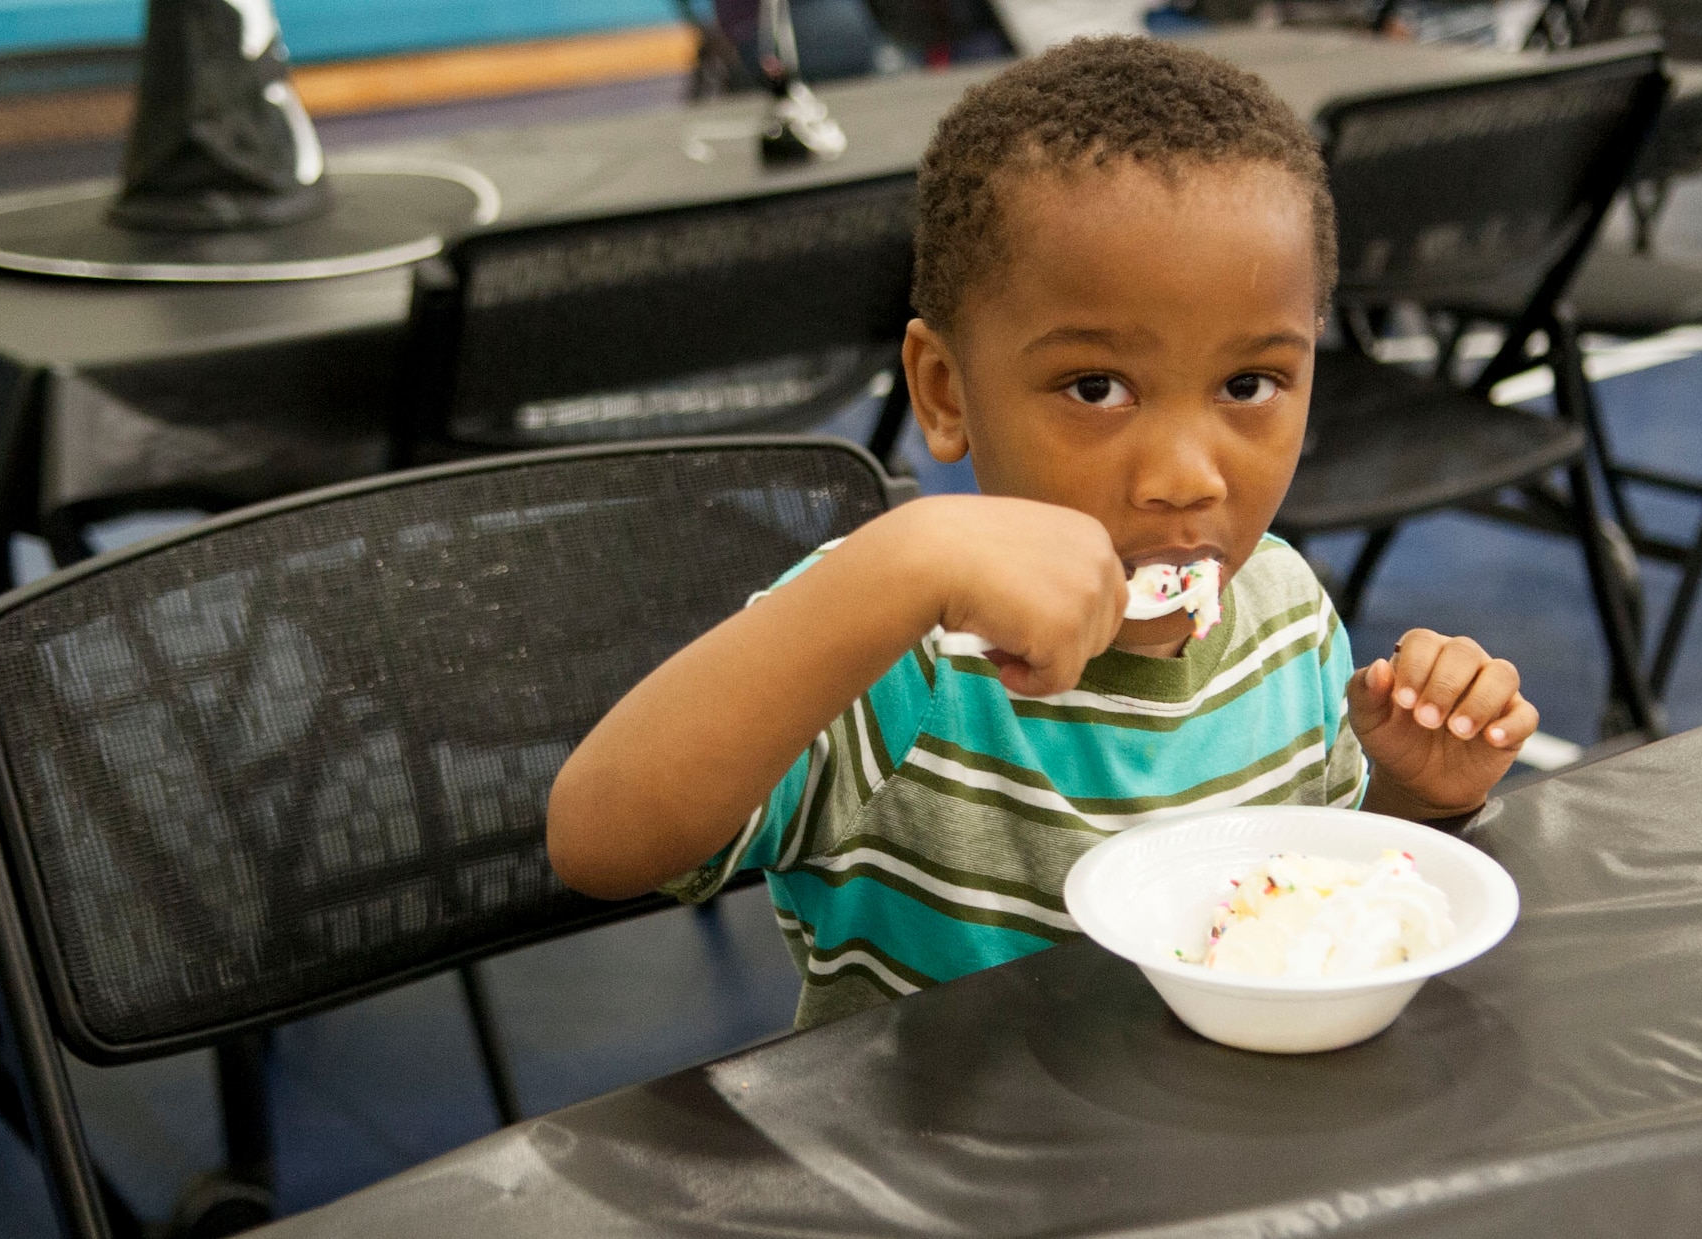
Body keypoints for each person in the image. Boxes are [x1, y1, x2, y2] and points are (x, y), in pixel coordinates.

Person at [547, 35, 1538, 1027]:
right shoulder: (894, 643)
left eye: (1247, 385)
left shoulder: (1284, 616)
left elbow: (1302, 902)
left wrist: (1415, 800)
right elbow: (600, 843)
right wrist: (898, 562)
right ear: (944, 391)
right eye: (1095, 388)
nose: (1185, 477)